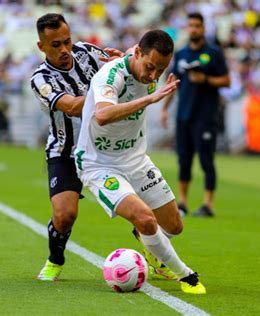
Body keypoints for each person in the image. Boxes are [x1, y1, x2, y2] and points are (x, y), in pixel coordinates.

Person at [75, 29, 205, 294]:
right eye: (149, 67)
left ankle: (151, 248)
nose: (153, 76)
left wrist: (144, 75)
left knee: (174, 226)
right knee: (146, 219)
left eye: (160, 69)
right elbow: (102, 115)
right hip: (99, 164)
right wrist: (149, 98)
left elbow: (139, 56)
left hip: (135, 160)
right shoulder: (110, 76)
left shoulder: (144, 62)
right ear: (137, 54)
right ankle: (186, 276)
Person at [30, 13, 124, 281]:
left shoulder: (86, 52)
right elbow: (71, 107)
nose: (65, 50)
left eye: (67, 42)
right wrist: (104, 94)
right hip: (65, 151)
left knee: (139, 205)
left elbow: (120, 68)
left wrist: (124, 62)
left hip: (105, 146)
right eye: (56, 45)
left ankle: (154, 256)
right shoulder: (40, 79)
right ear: (42, 47)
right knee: (65, 214)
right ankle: (55, 260)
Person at [160, 12, 230, 217]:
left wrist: (205, 79)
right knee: (184, 160)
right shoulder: (181, 54)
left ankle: (208, 204)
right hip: (184, 115)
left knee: (206, 160)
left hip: (206, 116)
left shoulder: (214, 53)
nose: (194, 29)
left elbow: (227, 80)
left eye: (197, 26)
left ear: (203, 28)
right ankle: (182, 202)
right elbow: (173, 84)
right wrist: (164, 109)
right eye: (190, 25)